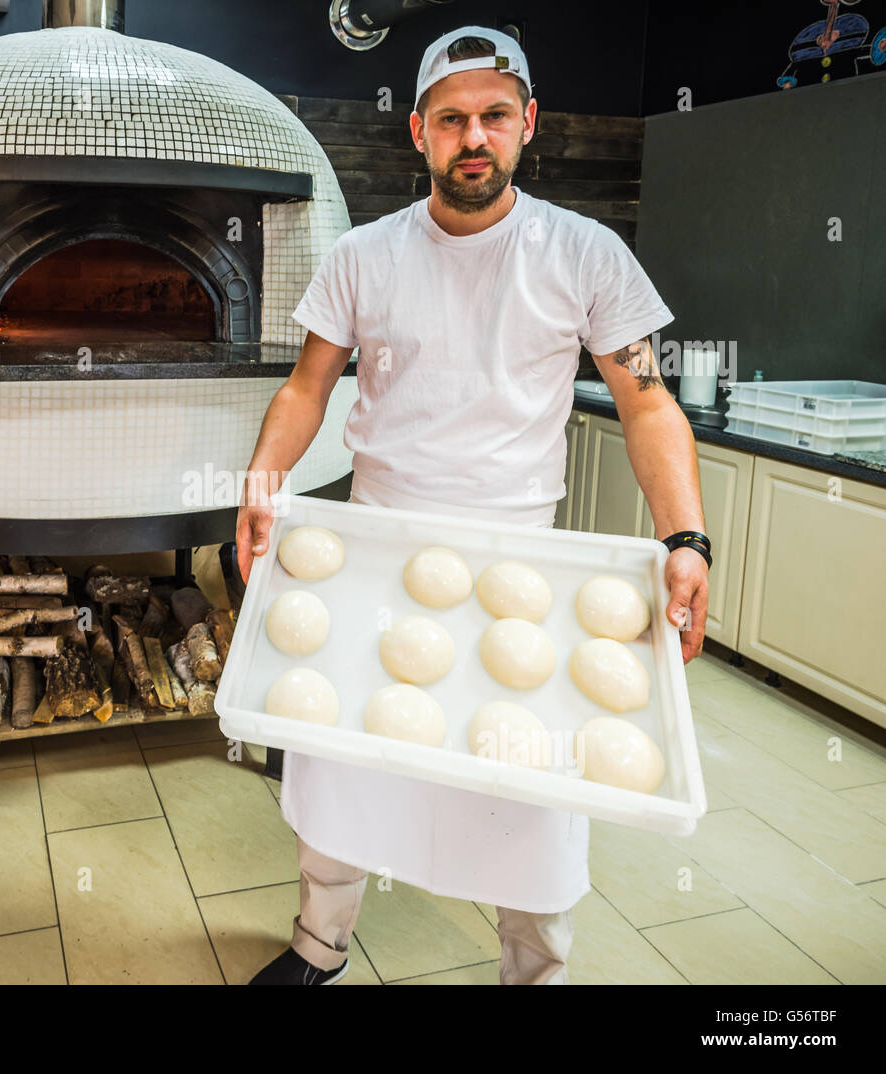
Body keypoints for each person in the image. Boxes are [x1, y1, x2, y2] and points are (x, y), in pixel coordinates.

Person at [234, 25, 711, 986]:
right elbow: (306, 387)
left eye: (495, 115)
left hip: (518, 555)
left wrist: (686, 536)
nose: (474, 138)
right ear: (418, 132)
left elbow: (647, 398)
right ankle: (319, 943)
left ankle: (535, 972)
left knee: (529, 788)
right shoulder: (365, 255)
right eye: (452, 120)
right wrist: (262, 482)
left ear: (527, 123)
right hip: (373, 543)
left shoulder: (585, 254)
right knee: (345, 757)